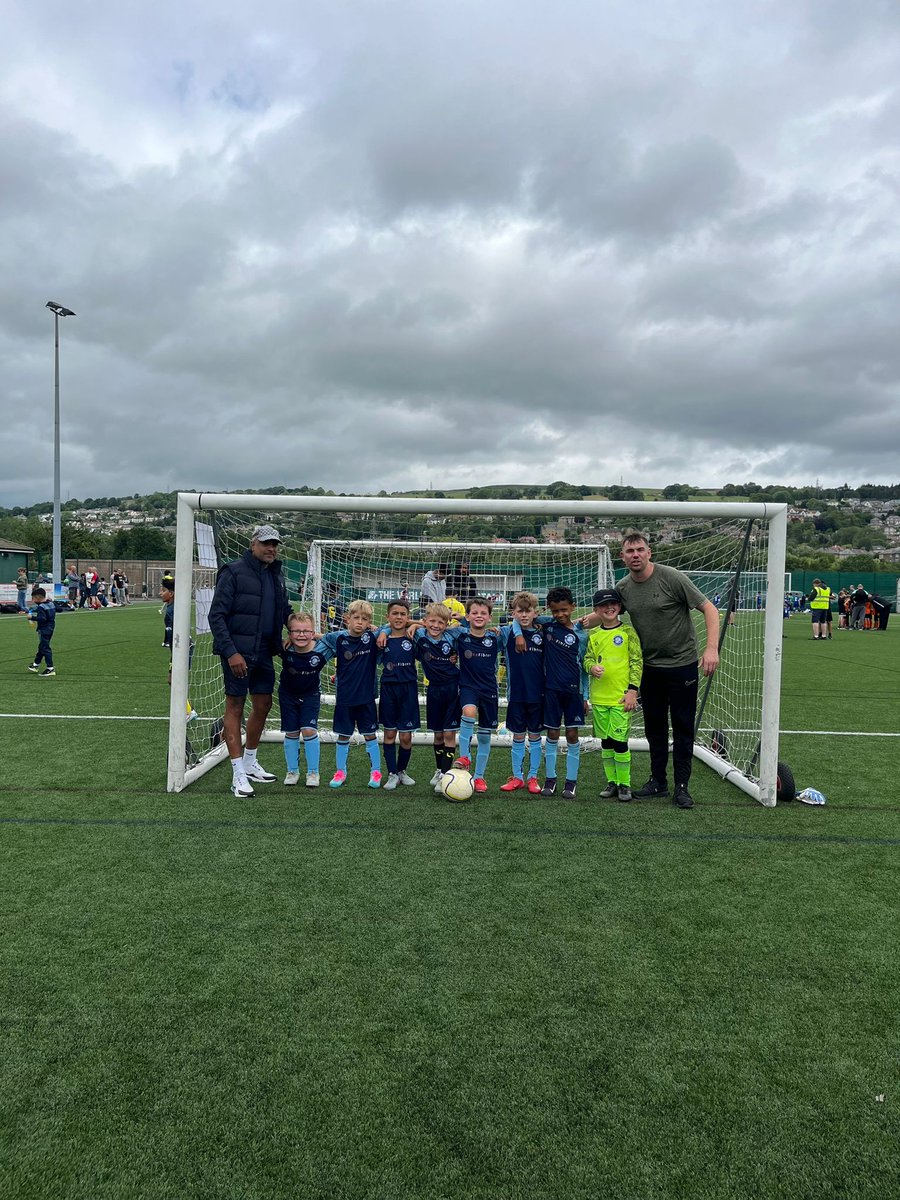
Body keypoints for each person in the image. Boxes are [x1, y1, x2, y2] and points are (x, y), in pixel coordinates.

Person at [599, 531, 720, 810]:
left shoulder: (671, 577)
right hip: (649, 669)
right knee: (655, 727)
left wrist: (711, 649)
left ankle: (681, 787)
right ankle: (658, 781)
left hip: (682, 665)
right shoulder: (624, 587)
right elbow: (608, 612)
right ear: (623, 557)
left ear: (649, 552)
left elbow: (709, 609)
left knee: (682, 726)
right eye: (630, 552)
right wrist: (579, 622)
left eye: (640, 550)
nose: (635, 555)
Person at [207, 524, 293, 799]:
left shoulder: (276, 575)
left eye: (275, 544)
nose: (271, 549)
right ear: (253, 543)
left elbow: (284, 610)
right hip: (238, 654)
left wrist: (298, 630)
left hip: (265, 652)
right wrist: (231, 652)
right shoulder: (233, 572)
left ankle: (250, 761)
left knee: (264, 704)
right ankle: (237, 774)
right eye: (266, 543)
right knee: (235, 706)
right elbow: (216, 616)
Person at [513, 585, 590, 800]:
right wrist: (518, 633)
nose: (560, 614)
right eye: (555, 611)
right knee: (553, 734)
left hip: (574, 693)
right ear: (550, 610)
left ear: (573, 607)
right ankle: (550, 779)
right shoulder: (547, 626)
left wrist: (585, 696)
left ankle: (571, 782)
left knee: (573, 735)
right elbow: (517, 619)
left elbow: (583, 668)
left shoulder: (581, 636)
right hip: (551, 691)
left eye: (564, 610)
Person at [315, 599, 383, 789]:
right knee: (343, 736)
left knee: (370, 735)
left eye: (365, 619)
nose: (360, 622)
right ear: (347, 619)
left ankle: (376, 771)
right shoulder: (339, 638)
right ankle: (340, 771)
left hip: (366, 697)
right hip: (345, 698)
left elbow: (388, 628)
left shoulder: (371, 638)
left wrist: (381, 630)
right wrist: (310, 635)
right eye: (356, 618)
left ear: (369, 622)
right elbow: (322, 637)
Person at [583, 589, 643, 803]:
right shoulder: (594, 635)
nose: (609, 608)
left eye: (613, 604)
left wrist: (632, 691)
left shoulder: (628, 632)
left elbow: (636, 662)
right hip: (600, 698)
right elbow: (587, 659)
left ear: (620, 606)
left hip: (620, 698)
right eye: (603, 605)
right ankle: (612, 782)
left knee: (620, 742)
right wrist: (591, 668)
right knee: (606, 742)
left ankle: (624, 784)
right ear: (596, 610)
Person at [444, 596, 503, 793]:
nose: (479, 616)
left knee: (485, 736)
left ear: (490, 617)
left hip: (489, 690)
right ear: (467, 616)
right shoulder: (459, 636)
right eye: (474, 613)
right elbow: (436, 628)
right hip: (468, 687)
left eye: (483, 613)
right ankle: (465, 757)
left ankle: (479, 777)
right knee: (468, 712)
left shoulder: (495, 637)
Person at [409, 602, 462, 789]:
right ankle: (439, 770)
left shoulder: (452, 635)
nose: (436, 626)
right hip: (434, 690)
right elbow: (395, 624)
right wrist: (416, 624)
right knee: (438, 735)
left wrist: (459, 618)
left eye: (441, 622)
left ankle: (446, 776)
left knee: (449, 733)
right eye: (431, 621)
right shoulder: (420, 634)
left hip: (453, 688)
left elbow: (472, 627)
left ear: (447, 624)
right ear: (425, 621)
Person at [497, 591, 545, 794]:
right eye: (520, 611)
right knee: (517, 736)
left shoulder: (542, 633)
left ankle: (533, 777)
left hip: (538, 694)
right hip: (516, 694)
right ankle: (517, 777)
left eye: (528, 611)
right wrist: (516, 631)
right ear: (513, 613)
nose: (524, 615)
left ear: (535, 613)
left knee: (534, 737)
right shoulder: (508, 632)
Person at [278, 611, 328, 787]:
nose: (301, 635)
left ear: (313, 633)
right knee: (291, 732)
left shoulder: (323, 649)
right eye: (296, 631)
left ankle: (313, 772)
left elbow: (342, 637)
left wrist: (318, 635)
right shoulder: (284, 648)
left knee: (308, 731)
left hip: (311, 695)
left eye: (306, 631)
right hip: (287, 694)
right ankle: (292, 771)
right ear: (289, 634)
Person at [375, 598, 419, 790]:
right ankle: (392, 773)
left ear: (408, 617)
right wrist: (384, 630)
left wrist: (415, 624)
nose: (399, 617)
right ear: (388, 617)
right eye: (395, 614)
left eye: (403, 614)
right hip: (389, 689)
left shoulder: (414, 637)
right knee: (390, 733)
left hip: (408, 689)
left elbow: (436, 628)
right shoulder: (381, 639)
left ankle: (402, 771)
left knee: (407, 737)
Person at [159, 574, 197, 723]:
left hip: (182, 647)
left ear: (171, 593)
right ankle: (187, 710)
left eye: (163, 591)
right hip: (181, 647)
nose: (160, 593)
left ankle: (189, 711)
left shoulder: (171, 611)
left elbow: (175, 634)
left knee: (174, 679)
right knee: (173, 680)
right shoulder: (172, 607)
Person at [27, 587, 56, 676]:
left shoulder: (41, 607)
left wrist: (32, 617)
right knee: (42, 646)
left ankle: (50, 668)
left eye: (34, 598)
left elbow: (42, 618)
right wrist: (32, 610)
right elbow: (58, 609)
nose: (33, 600)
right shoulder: (51, 604)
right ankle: (36, 664)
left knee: (45, 648)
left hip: (44, 629)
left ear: (38, 598)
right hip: (51, 628)